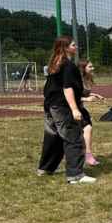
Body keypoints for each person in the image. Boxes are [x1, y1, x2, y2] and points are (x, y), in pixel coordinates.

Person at [37, 37, 95, 184]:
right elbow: (67, 88)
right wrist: (75, 109)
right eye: (73, 45)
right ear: (66, 48)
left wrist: (86, 95)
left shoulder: (55, 64)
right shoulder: (68, 66)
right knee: (73, 138)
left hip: (51, 105)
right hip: (63, 107)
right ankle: (75, 175)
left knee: (53, 137)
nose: (76, 47)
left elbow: (54, 88)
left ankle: (45, 168)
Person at [79, 60, 105, 166]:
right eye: (90, 66)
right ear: (83, 68)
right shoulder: (78, 80)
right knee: (86, 129)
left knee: (87, 129)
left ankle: (86, 155)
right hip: (72, 109)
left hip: (81, 108)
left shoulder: (88, 79)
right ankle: (87, 156)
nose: (93, 68)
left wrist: (95, 95)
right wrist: (87, 99)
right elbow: (71, 96)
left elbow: (84, 93)